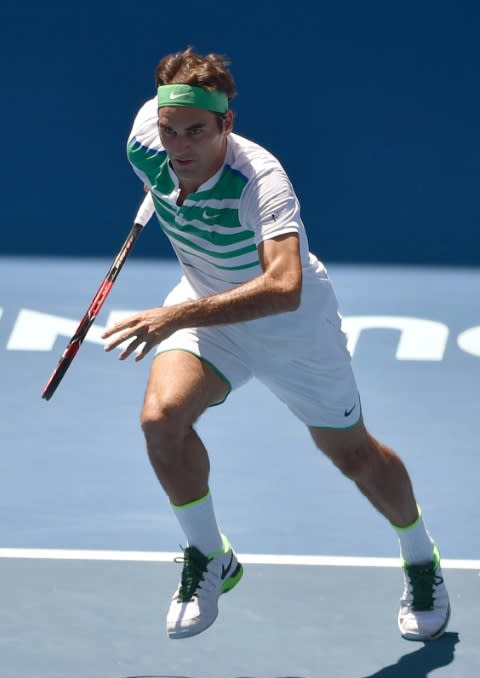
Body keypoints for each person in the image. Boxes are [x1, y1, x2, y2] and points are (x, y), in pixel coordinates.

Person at [101, 46, 450, 642]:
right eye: (170, 130)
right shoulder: (145, 143)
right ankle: (210, 555)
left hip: (291, 329)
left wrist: (175, 313)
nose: (179, 146)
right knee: (161, 419)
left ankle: (421, 559)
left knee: (354, 457)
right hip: (207, 306)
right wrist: (187, 309)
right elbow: (163, 147)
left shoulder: (260, 181)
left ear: (226, 125)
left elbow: (284, 287)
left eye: (196, 132)